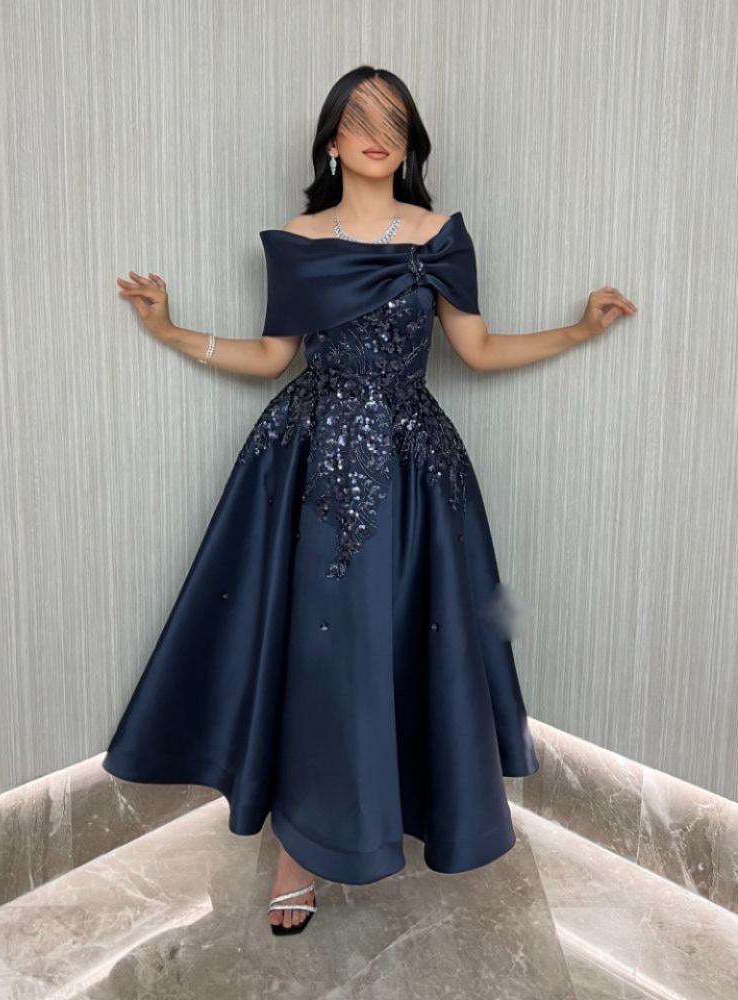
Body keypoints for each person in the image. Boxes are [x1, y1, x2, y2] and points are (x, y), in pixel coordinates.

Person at [104, 66, 637, 936]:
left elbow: (478, 351)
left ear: (410, 139)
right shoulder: (297, 239)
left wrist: (578, 330)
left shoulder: (441, 237)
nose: (376, 133)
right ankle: (300, 847)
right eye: (359, 118)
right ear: (331, 140)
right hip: (310, 469)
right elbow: (272, 358)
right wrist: (170, 329)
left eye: (392, 119)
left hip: (414, 471)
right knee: (317, 657)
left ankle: (390, 813)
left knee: (399, 649)